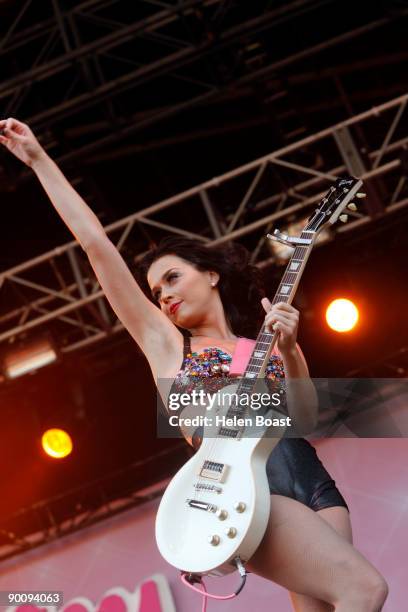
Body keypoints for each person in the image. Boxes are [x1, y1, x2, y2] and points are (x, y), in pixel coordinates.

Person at [0, 118, 389, 611]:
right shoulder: (168, 348)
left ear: (210, 275)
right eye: (156, 290)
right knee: (365, 589)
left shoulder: (264, 342)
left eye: (172, 278)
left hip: (310, 477)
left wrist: (290, 349)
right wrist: (38, 160)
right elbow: (96, 247)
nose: (162, 295)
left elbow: (307, 416)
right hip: (241, 484)